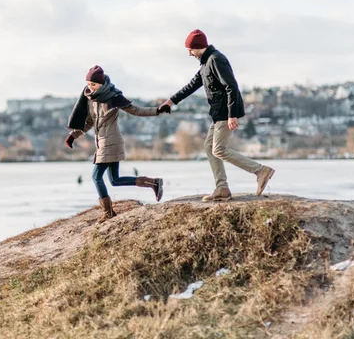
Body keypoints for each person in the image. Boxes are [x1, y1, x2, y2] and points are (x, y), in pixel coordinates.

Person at [159, 29, 275, 201]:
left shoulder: (216, 60)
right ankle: (222, 188)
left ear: (198, 47)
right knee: (209, 147)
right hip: (218, 113)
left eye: (190, 50)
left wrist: (232, 114)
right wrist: (171, 101)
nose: (189, 54)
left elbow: (231, 86)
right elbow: (191, 85)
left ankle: (260, 170)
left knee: (218, 149)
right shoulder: (205, 64)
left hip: (225, 113)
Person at [66, 65, 170, 223]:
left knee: (96, 177)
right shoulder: (90, 99)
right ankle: (153, 182)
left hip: (111, 141)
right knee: (115, 180)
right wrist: (74, 135)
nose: (90, 87)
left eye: (93, 84)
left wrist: (157, 110)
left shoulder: (113, 97)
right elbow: (89, 122)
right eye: (88, 84)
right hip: (102, 143)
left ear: (101, 84)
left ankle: (108, 213)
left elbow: (136, 110)